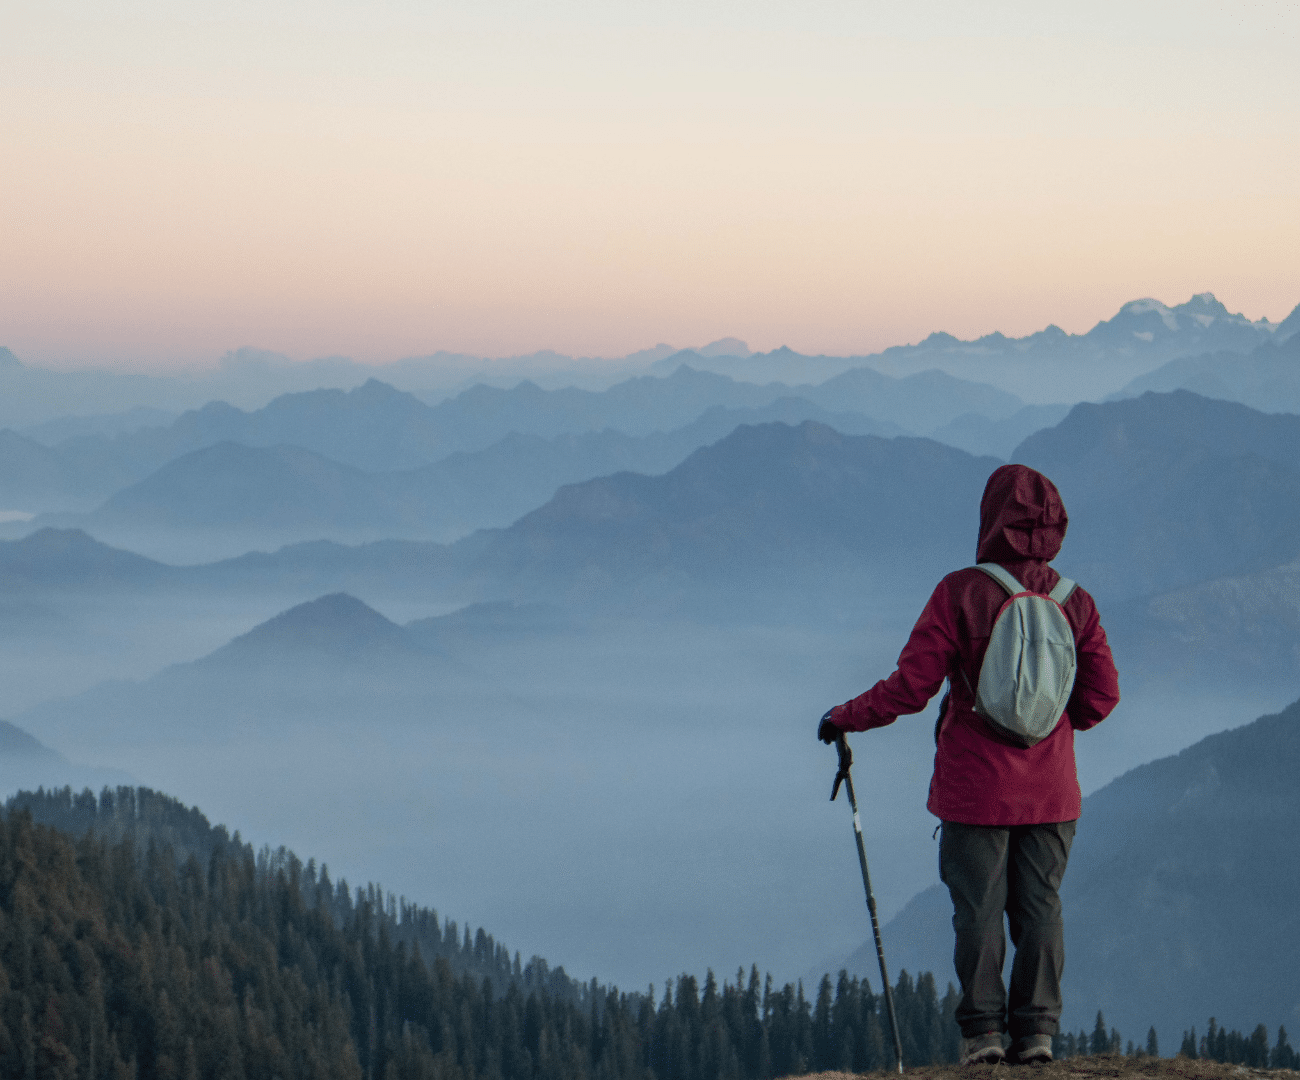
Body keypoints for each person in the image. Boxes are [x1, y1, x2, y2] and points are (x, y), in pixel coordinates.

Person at [816, 463, 1120, 1067]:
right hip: (1052, 792)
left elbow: (910, 688)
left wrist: (843, 717)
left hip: (975, 787)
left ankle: (983, 1036)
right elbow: (1101, 696)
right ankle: (1037, 1035)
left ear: (990, 519)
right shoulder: (1074, 602)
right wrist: (1053, 730)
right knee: (1041, 909)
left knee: (977, 911)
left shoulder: (961, 593)